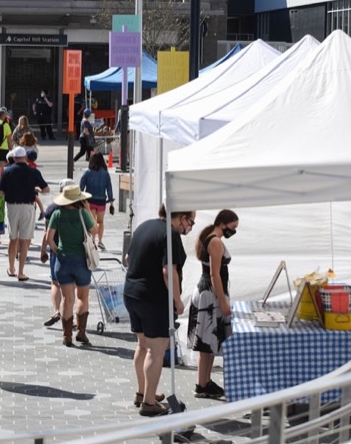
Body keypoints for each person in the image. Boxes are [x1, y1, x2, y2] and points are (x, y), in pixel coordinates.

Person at [124, 205, 195, 417]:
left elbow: (128, 259)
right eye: (191, 222)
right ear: (182, 218)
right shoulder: (170, 234)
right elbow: (168, 271)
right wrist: (178, 300)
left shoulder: (144, 226)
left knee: (143, 345)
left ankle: (143, 392)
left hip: (132, 292)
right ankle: (148, 402)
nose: (190, 228)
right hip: (153, 299)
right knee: (156, 350)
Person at [188, 209, 239, 401]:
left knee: (208, 343)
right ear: (223, 223)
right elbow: (214, 274)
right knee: (207, 341)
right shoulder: (216, 241)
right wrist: (223, 301)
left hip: (206, 293)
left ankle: (205, 382)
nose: (233, 231)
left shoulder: (208, 237)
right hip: (210, 295)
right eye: (233, 228)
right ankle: (202, 384)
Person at [46, 185, 96, 347]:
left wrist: (58, 252)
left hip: (63, 261)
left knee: (67, 299)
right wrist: (88, 209)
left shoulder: (57, 214)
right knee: (82, 297)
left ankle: (66, 336)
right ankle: (81, 332)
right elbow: (94, 229)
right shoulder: (82, 214)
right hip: (81, 261)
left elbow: (49, 238)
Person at [0, 146, 50, 281]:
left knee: (12, 238)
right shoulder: (33, 171)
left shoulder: (7, 171)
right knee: (25, 240)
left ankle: (11, 268)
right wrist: (35, 188)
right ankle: (21, 272)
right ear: (25, 157)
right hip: (28, 207)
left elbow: (1, 192)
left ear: (14, 158)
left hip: (12, 207)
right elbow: (46, 189)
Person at [40, 178, 75, 328]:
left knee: (55, 283)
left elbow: (47, 233)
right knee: (70, 287)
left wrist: (43, 250)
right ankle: (70, 318)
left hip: (56, 251)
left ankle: (56, 311)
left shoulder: (52, 208)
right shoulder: (78, 207)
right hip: (75, 252)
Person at [79, 152, 115, 251]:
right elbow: (109, 188)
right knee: (100, 222)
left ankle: (93, 241)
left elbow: (81, 186)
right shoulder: (105, 173)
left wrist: (80, 198)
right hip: (101, 201)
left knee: (92, 221)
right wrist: (111, 201)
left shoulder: (87, 172)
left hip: (90, 200)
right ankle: (100, 241)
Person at [26, 150, 46, 221]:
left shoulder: (27, 165)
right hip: (34, 185)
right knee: (35, 200)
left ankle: (42, 212)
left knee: (34, 200)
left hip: (30, 186)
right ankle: (42, 211)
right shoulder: (34, 166)